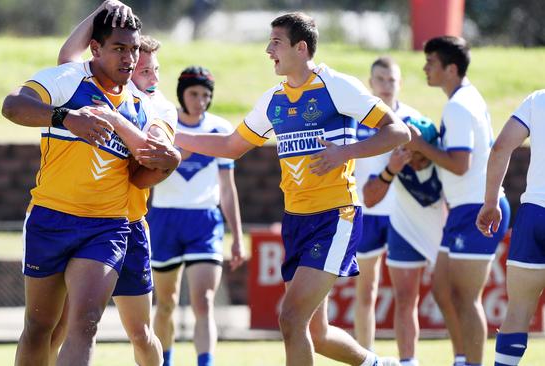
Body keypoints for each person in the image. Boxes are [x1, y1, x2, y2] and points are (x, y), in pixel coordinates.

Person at [175, 12, 409, 366]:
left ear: (301, 48)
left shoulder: (337, 86)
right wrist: (171, 135)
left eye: (276, 42)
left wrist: (344, 152)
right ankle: (381, 365)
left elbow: (398, 132)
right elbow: (230, 146)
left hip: (335, 216)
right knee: (317, 333)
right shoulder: (273, 100)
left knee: (290, 318)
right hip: (296, 220)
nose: (268, 50)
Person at [1, 8, 179, 365]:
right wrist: (65, 117)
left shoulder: (146, 106)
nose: (129, 59)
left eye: (133, 51)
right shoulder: (68, 80)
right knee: (39, 325)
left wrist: (167, 163)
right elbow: (12, 107)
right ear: (95, 49)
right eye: (119, 49)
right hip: (49, 217)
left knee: (87, 323)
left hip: (107, 225)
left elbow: (146, 170)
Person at [406, 35, 510, 366]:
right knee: (442, 290)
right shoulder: (464, 99)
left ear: (451, 69)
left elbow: (460, 164)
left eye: (431, 63)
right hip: (464, 208)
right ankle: (462, 358)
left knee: (467, 298)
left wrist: (420, 146)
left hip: (478, 208)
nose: (425, 68)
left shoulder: (459, 106)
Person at [147, 66, 245, 366]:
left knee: (203, 302)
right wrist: (171, 160)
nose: (200, 100)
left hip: (204, 222)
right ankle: (165, 360)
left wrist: (238, 237)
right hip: (164, 219)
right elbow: (144, 177)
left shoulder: (219, 129)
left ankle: (205, 362)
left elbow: (227, 190)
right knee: (166, 303)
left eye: (206, 95)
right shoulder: (163, 125)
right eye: (193, 93)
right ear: (181, 94)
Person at [364, 115, 447, 366]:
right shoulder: (391, 153)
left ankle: (464, 358)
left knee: (453, 297)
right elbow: (369, 198)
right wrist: (391, 170)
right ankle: (408, 361)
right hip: (404, 226)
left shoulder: (446, 158)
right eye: (411, 155)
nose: (417, 163)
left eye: (421, 155)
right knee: (404, 297)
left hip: (441, 230)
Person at [353, 56, 421, 351]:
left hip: (401, 215)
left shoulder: (413, 119)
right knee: (366, 289)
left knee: (406, 293)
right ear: (370, 83)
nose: (385, 86)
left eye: (391, 80)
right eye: (380, 79)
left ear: (400, 83)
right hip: (367, 212)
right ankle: (364, 356)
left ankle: (408, 357)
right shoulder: (359, 119)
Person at [476, 90, 545, 366]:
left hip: (532, 216)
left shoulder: (538, 99)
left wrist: (491, 201)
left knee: (517, 312)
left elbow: (501, 146)